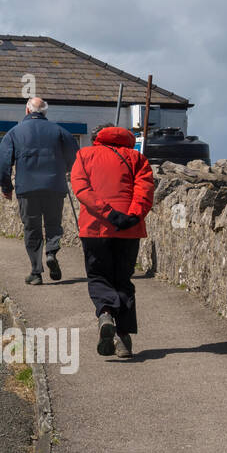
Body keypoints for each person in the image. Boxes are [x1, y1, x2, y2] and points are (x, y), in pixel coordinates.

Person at [70, 124, 156, 359]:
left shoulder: (84, 155)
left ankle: (105, 313)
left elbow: (81, 189)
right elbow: (145, 191)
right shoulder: (137, 158)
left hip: (95, 228)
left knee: (98, 276)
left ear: (97, 138)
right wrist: (132, 216)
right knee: (123, 281)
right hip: (129, 229)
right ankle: (124, 341)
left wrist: (107, 213)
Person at [0, 97, 78, 285]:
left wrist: (6, 188)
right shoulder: (60, 131)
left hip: (27, 188)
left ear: (27, 111)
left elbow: (3, 163)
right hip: (54, 187)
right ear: (45, 112)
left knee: (31, 228)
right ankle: (51, 252)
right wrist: (63, 168)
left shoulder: (14, 133)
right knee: (53, 224)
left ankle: (36, 272)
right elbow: (75, 156)